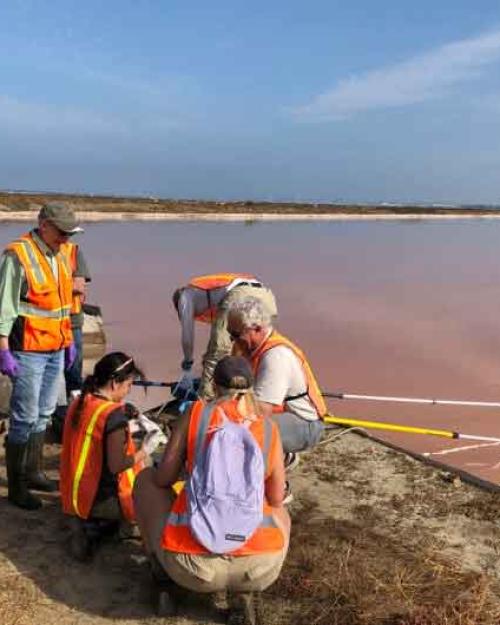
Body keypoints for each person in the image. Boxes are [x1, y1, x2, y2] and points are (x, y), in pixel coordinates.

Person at [133, 356, 290, 624]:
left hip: (193, 568)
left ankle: (163, 580)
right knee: (280, 507)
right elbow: (276, 497)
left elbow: (163, 479)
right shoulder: (267, 428)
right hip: (259, 567)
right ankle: (243, 594)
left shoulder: (195, 414)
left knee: (146, 480)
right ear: (251, 389)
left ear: (214, 387)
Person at [0, 202, 81, 510]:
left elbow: (63, 303)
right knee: (24, 417)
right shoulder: (18, 255)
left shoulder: (61, 253)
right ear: (43, 224)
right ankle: (17, 486)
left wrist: (69, 339)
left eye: (68, 233)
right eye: (61, 232)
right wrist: (3, 348)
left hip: (56, 347)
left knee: (45, 414)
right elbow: (5, 307)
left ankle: (33, 472)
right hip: (28, 350)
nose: (65, 239)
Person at [60, 351, 162, 561]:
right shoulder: (112, 416)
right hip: (99, 500)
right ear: (115, 383)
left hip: (74, 492)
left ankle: (86, 523)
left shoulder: (80, 401)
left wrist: (124, 410)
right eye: (128, 386)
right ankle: (104, 528)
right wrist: (145, 450)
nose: (128, 391)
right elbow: (116, 466)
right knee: (151, 481)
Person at [227, 296, 327, 457]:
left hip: (304, 423)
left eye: (236, 334)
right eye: (230, 334)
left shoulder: (276, 356)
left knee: (242, 431)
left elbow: (260, 411)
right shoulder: (248, 347)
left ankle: (281, 462)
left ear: (257, 329)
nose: (233, 340)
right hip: (279, 412)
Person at [172, 273, 277, 400]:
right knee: (247, 351)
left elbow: (187, 337)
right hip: (265, 296)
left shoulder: (185, 296)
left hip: (240, 294)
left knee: (217, 351)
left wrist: (187, 365)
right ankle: (248, 397)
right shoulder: (212, 295)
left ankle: (205, 400)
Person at [60, 241, 92, 394]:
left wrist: (46, 287)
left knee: (73, 371)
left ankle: (73, 403)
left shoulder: (72, 250)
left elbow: (78, 286)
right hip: (45, 322)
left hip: (72, 321)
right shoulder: (33, 252)